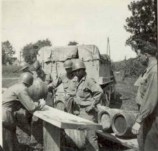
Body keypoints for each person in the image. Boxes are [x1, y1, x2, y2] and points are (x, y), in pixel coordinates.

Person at [2, 72, 46, 151]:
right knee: (8, 140)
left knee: (9, 139)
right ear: (29, 83)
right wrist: (40, 104)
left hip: (3, 112)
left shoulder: (15, 86)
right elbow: (31, 107)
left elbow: (19, 102)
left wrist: (32, 103)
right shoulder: (22, 89)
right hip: (5, 115)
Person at [72, 59, 103, 151]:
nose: (76, 73)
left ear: (82, 70)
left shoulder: (89, 80)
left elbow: (99, 92)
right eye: (74, 71)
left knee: (91, 137)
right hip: (79, 111)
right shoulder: (78, 81)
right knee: (83, 136)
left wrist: (92, 105)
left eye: (78, 71)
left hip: (88, 113)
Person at [132, 48, 157, 151]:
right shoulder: (149, 70)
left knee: (150, 148)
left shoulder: (154, 72)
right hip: (147, 116)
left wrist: (139, 120)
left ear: (146, 55)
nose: (138, 59)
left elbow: (151, 99)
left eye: (139, 56)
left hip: (152, 119)